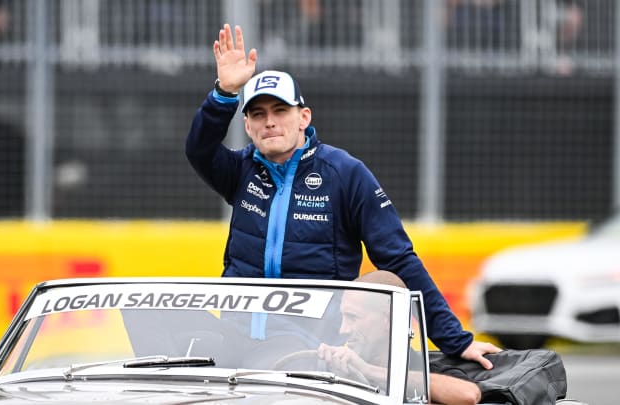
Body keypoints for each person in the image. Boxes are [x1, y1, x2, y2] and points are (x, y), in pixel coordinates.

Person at [185, 23, 501, 368]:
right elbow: (198, 150)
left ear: (303, 117)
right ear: (247, 126)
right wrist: (224, 94)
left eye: (280, 111)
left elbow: (398, 260)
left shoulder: (344, 173)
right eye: (258, 114)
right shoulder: (240, 170)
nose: (269, 122)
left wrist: (456, 341)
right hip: (236, 333)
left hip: (305, 345)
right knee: (156, 328)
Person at [318, 270, 482, 405]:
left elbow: (468, 395)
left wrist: (367, 371)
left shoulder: (426, 369)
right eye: (343, 318)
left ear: (389, 319)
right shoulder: (336, 368)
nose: (343, 330)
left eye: (352, 317)